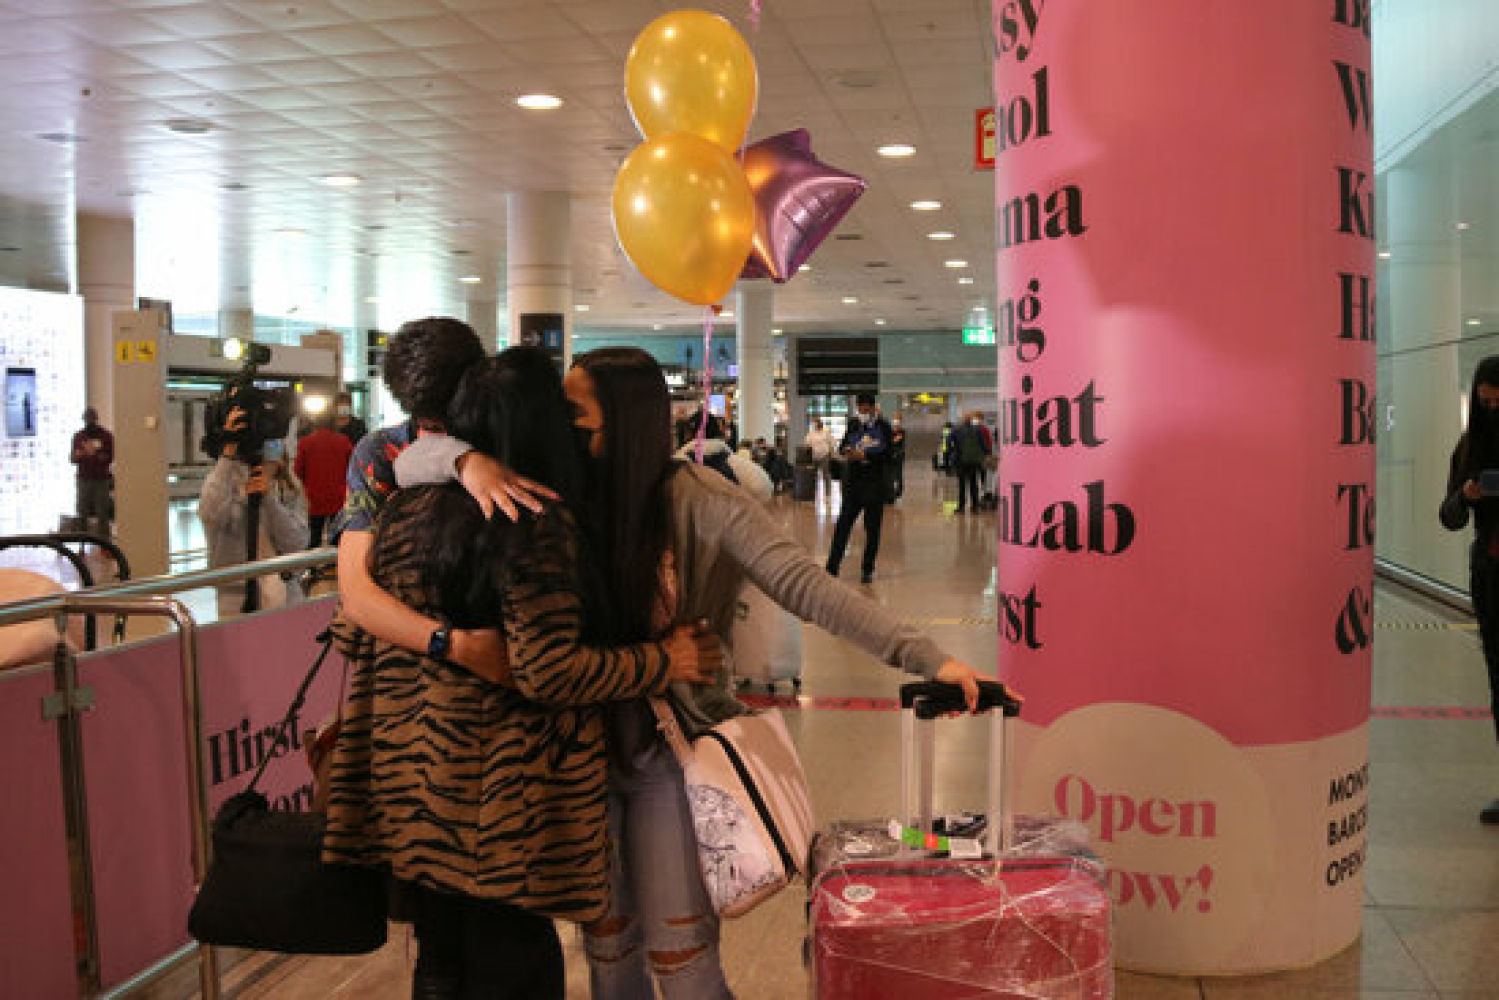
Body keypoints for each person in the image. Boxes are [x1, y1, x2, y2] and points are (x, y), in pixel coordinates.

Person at [394, 348, 1003, 999]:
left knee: (681, 961)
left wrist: (929, 658)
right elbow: (405, 460)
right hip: (573, 758)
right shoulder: (548, 484)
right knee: (608, 955)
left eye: (577, 416)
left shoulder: (695, 495)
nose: (562, 429)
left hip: (668, 755)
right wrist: (469, 461)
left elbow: (804, 585)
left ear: (627, 422)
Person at [322, 348, 719, 1000]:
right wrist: (661, 662)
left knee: (440, 965)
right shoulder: (530, 520)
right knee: (516, 967)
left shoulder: (405, 509)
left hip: (408, 795)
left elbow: (351, 629)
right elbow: (546, 671)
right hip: (496, 809)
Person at [332, 317, 544, 681]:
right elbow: (355, 592)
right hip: (429, 667)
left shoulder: (506, 434)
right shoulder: (381, 453)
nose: (438, 432)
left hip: (507, 653)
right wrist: (455, 646)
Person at [1439, 354, 1499, 826]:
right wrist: (1467, 496)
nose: (1492, 408)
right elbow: (1449, 516)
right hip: (1492, 574)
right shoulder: (1469, 447)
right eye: (1485, 402)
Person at [198, 424, 308, 617]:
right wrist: (227, 457)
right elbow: (210, 515)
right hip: (235, 592)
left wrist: (269, 501)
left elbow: (297, 543)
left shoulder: (289, 489)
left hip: (285, 592)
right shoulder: (221, 483)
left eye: (274, 443)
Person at [825, 392, 894, 585]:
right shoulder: (854, 425)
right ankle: (832, 567)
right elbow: (842, 447)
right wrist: (848, 451)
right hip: (854, 485)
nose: (862, 412)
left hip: (874, 484)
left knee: (872, 530)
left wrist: (865, 456)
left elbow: (889, 455)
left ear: (873, 408)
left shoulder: (884, 427)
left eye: (866, 409)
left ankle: (867, 569)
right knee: (842, 527)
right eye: (859, 408)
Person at [293, 412, 353, 548]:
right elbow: (353, 467)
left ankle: (313, 568)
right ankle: (334, 566)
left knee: (314, 536)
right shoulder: (343, 441)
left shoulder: (305, 442)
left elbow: (297, 469)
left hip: (315, 497)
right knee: (338, 539)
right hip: (338, 496)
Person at [70, 407, 113, 537]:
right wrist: (80, 454)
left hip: (101, 479)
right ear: (83, 419)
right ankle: (81, 545)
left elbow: (111, 457)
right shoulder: (78, 436)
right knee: (82, 512)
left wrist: (97, 454)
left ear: (96, 418)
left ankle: (105, 545)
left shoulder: (106, 436)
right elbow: (72, 458)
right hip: (83, 479)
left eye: (91, 418)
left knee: (103, 513)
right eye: (86, 418)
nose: (89, 421)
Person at [951, 410, 993, 514]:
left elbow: (951, 445)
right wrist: (986, 454)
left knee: (962, 484)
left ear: (962, 419)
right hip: (973, 461)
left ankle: (961, 507)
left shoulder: (956, 429)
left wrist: (952, 459)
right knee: (973, 483)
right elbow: (983, 445)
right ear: (971, 419)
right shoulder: (978, 429)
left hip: (961, 460)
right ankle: (974, 506)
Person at [804, 417, 835, 494]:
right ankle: (814, 492)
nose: (816, 425)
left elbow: (832, 443)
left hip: (825, 455)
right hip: (814, 456)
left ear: (820, 424)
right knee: (813, 475)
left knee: (826, 475)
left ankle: (828, 492)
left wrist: (832, 454)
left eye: (817, 423)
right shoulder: (811, 434)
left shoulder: (826, 432)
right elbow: (806, 444)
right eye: (814, 424)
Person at [889, 413, 908, 500]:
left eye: (897, 420)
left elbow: (895, 441)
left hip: (899, 455)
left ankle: (898, 491)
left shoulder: (901, 432)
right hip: (892, 454)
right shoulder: (891, 431)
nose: (896, 423)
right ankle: (892, 491)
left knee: (898, 473)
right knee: (892, 474)